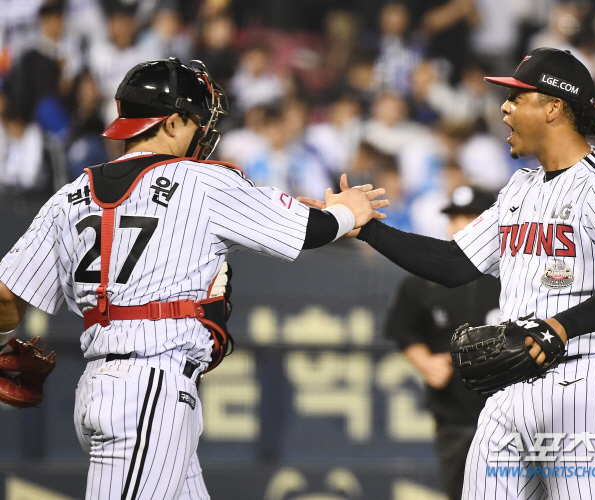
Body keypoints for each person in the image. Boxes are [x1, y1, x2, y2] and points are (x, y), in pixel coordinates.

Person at [0, 58, 388, 500]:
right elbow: (309, 231)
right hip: (150, 390)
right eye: (197, 120)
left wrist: (5, 341)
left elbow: (5, 298)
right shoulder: (201, 181)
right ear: (172, 123)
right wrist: (348, 210)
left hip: (102, 387)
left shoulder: (69, 195)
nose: (202, 131)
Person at [301, 47, 595, 499]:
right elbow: (456, 263)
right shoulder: (519, 187)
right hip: (514, 382)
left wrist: (559, 328)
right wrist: (368, 230)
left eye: (517, 97)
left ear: (554, 107)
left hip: (587, 381)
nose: (504, 107)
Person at [384, 186, 500, 500]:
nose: (460, 225)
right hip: (455, 415)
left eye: (470, 217)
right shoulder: (425, 276)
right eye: (454, 217)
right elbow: (403, 328)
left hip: (513, 413)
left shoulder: (515, 273)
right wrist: (425, 362)